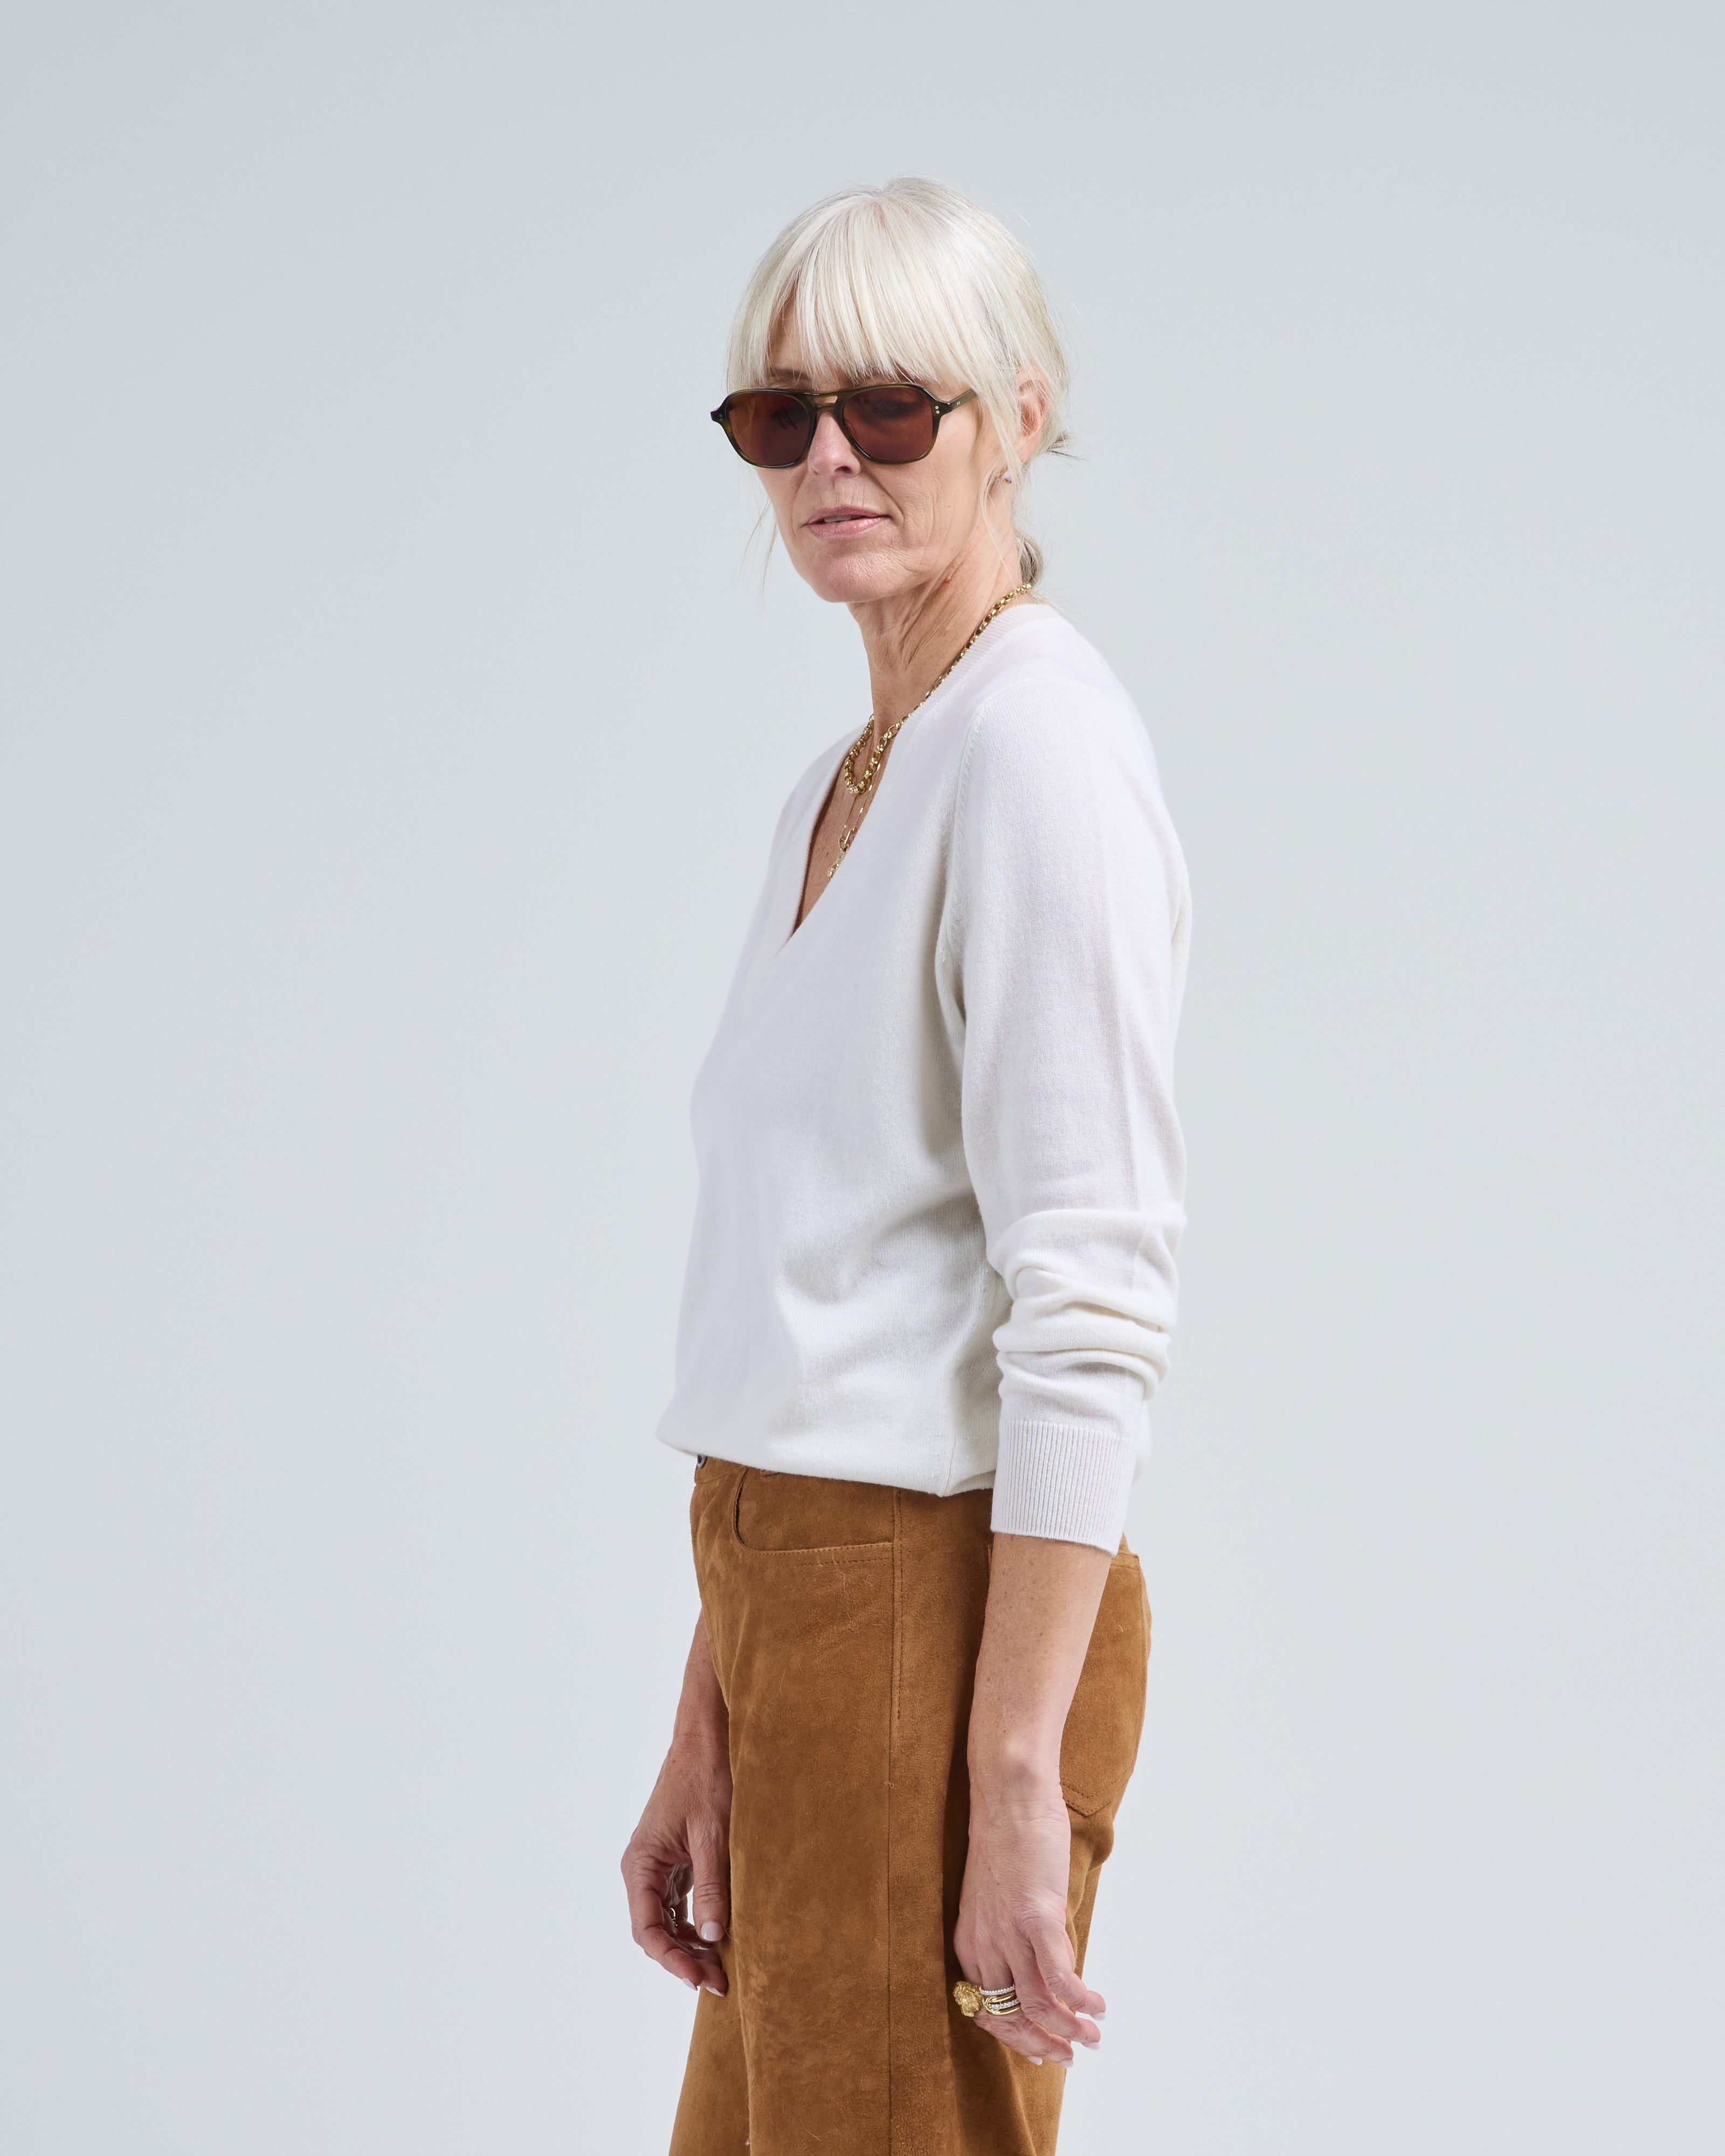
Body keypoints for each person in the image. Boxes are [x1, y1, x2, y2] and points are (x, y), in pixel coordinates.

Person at [620, 177, 1191, 2156]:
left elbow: (1092, 1293)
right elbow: (824, 1302)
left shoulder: (1034, 749)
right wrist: (712, 1708)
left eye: (889, 406)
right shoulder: (846, 784)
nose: (830, 460)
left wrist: (1011, 1770)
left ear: (1018, 417)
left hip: (932, 1626)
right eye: (780, 417)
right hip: (789, 1603)